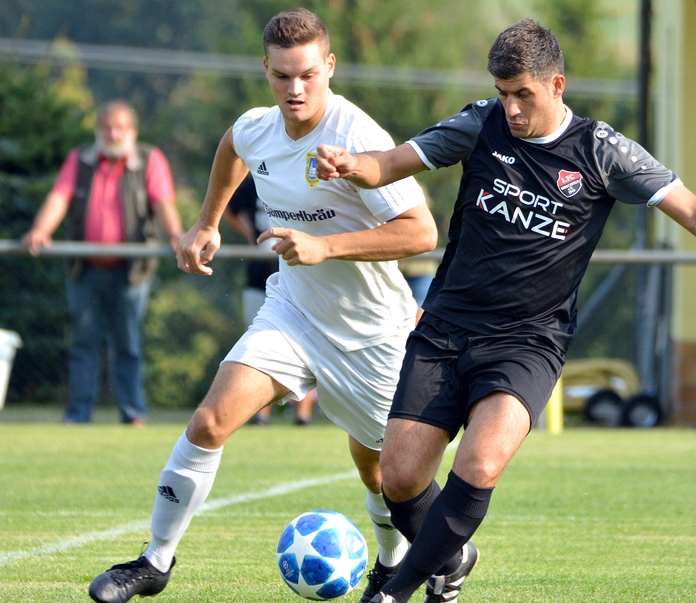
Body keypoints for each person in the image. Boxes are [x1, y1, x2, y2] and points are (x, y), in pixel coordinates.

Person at [316, 18, 696, 603]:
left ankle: (396, 592)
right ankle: (454, 558)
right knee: (399, 477)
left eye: (523, 94)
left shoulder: (602, 151)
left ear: (557, 84)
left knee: (481, 463)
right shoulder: (480, 124)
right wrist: (351, 164)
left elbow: (694, 211)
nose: (512, 108)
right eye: (503, 93)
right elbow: (390, 164)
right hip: (445, 328)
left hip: (528, 341)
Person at [87, 9, 437, 603]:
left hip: (373, 332)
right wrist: (207, 223)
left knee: (380, 470)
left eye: (307, 74)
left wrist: (325, 247)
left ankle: (391, 561)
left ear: (329, 66)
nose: (294, 89)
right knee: (209, 422)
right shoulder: (257, 126)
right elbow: (233, 145)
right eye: (281, 76)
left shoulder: (359, 138)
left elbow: (422, 232)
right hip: (292, 315)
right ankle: (155, 561)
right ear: (265, 70)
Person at [20, 100, 183, 426]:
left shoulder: (149, 159)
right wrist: (40, 230)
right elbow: (59, 197)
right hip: (86, 268)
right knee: (83, 343)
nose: (113, 134)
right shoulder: (80, 158)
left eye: (120, 127)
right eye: (106, 127)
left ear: (132, 132)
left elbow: (163, 202)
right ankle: (78, 415)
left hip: (131, 270)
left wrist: (177, 235)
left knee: (128, 344)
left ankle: (133, 413)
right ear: (98, 130)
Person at [221, 174, 316, 426]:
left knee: (306, 341)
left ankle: (302, 413)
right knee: (258, 342)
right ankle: (261, 413)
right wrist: (250, 234)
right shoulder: (255, 180)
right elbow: (229, 209)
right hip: (259, 274)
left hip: (299, 273)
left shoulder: (303, 176)